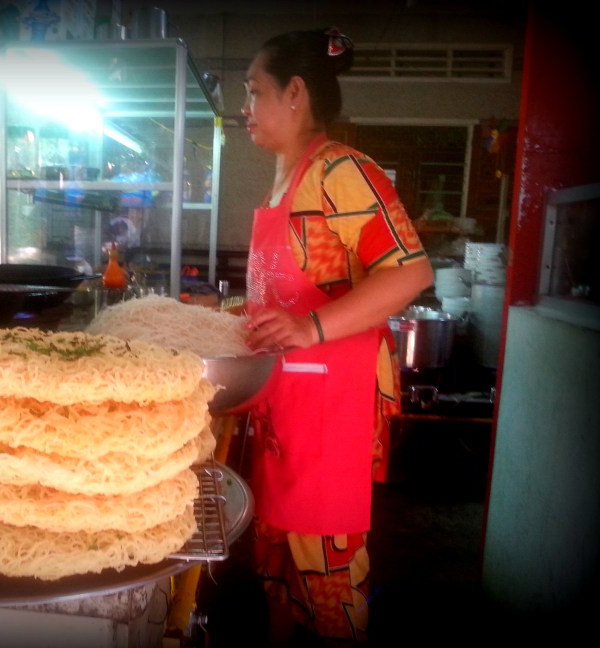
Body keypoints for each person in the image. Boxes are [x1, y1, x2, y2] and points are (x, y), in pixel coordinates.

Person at [239, 28, 434, 644]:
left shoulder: (341, 172)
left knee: (327, 581)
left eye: (254, 92)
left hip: (327, 412)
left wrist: (309, 325)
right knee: (276, 569)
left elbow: (411, 271)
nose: (245, 108)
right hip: (282, 411)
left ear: (295, 92)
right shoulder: (284, 181)